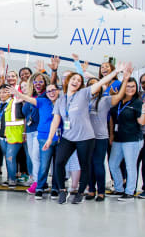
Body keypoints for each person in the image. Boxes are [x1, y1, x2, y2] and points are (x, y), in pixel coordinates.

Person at [42, 63, 125, 204]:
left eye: (79, 81)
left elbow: (102, 82)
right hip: (68, 137)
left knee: (84, 164)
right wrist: (50, 139)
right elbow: (55, 121)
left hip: (85, 137)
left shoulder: (84, 93)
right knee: (59, 162)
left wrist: (116, 71)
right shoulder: (61, 100)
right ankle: (62, 191)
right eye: (74, 79)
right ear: (68, 81)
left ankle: (80, 192)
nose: (76, 82)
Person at [109, 70, 145, 201]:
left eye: (133, 86)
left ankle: (130, 192)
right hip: (118, 138)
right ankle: (119, 188)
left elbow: (142, 122)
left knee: (130, 165)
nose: (131, 89)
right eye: (128, 86)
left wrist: (144, 112)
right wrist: (111, 135)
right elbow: (112, 118)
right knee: (113, 164)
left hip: (132, 140)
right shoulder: (117, 101)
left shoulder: (138, 103)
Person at [15, 83, 60, 200]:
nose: (51, 93)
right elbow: (29, 99)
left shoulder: (63, 102)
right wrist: (19, 94)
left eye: (54, 90)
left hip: (60, 138)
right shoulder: (42, 102)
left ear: (59, 90)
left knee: (57, 165)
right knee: (44, 164)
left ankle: (55, 188)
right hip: (44, 138)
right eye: (49, 91)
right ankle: (40, 187)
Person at [86, 77, 114, 201]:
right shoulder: (84, 100)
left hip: (100, 137)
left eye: (95, 84)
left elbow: (118, 97)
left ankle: (101, 191)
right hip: (86, 137)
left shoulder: (105, 100)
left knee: (98, 164)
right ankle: (91, 190)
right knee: (89, 165)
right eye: (90, 84)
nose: (93, 86)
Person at [0, 85, 24, 189]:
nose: (2, 94)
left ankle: (12, 179)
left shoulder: (15, 102)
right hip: (2, 136)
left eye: (4, 92)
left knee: (10, 157)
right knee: (7, 158)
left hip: (14, 136)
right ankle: (9, 178)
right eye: (0, 92)